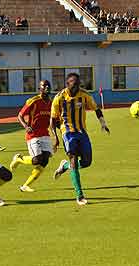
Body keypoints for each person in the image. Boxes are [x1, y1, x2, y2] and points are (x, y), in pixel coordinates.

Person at [50, 73, 110, 206]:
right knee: (73, 161)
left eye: (78, 84)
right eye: (74, 84)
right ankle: (80, 195)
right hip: (67, 133)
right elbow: (53, 120)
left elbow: (96, 109)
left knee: (87, 162)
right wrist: (55, 138)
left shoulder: (84, 95)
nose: (77, 86)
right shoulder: (59, 98)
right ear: (67, 84)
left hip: (82, 132)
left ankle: (65, 166)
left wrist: (103, 123)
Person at [10, 80, 55, 192]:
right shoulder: (33, 101)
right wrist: (26, 126)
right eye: (44, 85)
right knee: (36, 160)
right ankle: (19, 159)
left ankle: (25, 185)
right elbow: (20, 115)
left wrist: (56, 135)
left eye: (48, 85)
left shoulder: (51, 103)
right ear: (39, 88)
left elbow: (52, 119)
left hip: (45, 134)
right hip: (33, 134)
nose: (47, 87)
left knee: (45, 161)